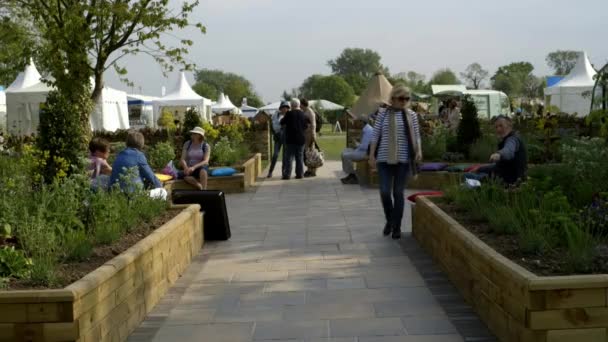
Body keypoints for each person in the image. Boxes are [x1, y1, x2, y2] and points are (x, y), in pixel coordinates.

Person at [368, 85, 422, 240]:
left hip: (404, 160)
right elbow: (375, 135)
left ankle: (396, 226)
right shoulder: (383, 114)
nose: (404, 101)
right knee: (385, 192)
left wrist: (419, 151)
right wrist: (372, 155)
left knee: (398, 193)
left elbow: (417, 136)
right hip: (384, 160)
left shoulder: (411, 115)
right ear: (392, 99)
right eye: (400, 98)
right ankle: (390, 220)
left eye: (407, 98)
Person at [110, 131, 166, 200]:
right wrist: (161, 185)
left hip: (116, 195)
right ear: (141, 144)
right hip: (132, 196)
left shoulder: (120, 155)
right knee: (163, 192)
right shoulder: (138, 155)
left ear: (127, 143)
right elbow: (151, 176)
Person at [281, 98, 308, 180]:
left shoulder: (289, 114)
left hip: (290, 139)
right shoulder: (303, 114)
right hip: (301, 139)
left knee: (289, 157)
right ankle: (300, 174)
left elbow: (282, 122)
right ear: (299, 105)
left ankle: (287, 175)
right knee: (299, 157)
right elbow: (306, 126)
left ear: (291, 105)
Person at [341, 116, 374, 184]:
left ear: (362, 122)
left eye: (358, 121)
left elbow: (365, 147)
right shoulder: (366, 129)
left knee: (345, 156)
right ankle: (351, 174)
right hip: (362, 151)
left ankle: (353, 176)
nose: (356, 123)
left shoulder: (368, 131)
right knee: (345, 151)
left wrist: (356, 144)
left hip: (365, 153)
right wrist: (357, 141)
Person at [267, 101, 289, 178]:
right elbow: (272, 125)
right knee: (275, 155)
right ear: (281, 108)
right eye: (283, 107)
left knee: (285, 156)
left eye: (286, 107)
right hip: (278, 137)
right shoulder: (276, 115)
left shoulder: (289, 115)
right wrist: (275, 132)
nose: (284, 109)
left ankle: (284, 172)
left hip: (286, 138)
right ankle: (270, 171)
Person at [300, 99, 318, 177]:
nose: (300, 106)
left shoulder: (310, 112)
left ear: (303, 104)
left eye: (300, 104)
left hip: (310, 134)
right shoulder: (304, 111)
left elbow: (313, 124)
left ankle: (312, 171)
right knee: (308, 153)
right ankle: (309, 169)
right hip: (306, 134)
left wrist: (313, 134)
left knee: (311, 153)